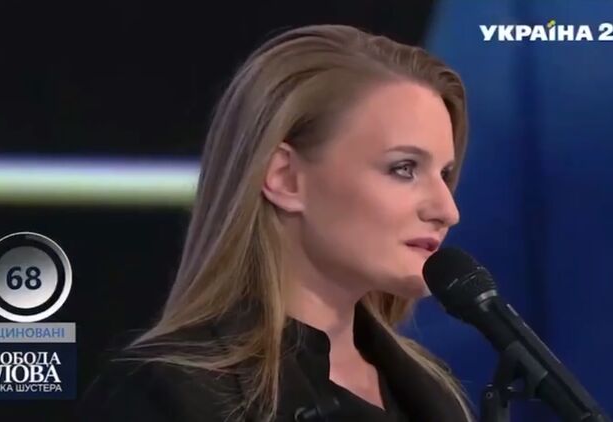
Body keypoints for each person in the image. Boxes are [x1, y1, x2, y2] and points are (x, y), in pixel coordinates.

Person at [79, 23, 474, 422]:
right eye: (404, 168)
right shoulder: (165, 396)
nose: (447, 210)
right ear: (285, 178)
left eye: (444, 174)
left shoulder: (432, 395)